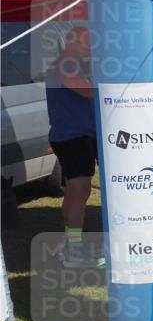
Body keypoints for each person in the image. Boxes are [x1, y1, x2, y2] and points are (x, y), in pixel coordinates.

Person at [45, 26, 103, 268]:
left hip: (77, 136)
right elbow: (85, 90)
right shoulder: (65, 65)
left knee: (75, 191)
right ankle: (73, 251)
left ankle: (70, 244)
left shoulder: (74, 65)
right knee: (79, 191)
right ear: (72, 42)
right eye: (86, 43)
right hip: (72, 137)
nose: (90, 48)